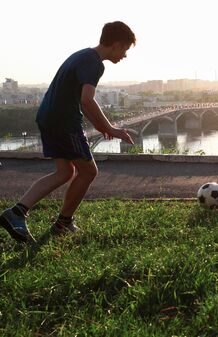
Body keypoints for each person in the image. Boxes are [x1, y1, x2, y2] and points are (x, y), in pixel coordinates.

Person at [0, 21, 136, 242]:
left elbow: (84, 102)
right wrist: (108, 127)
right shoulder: (94, 64)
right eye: (125, 50)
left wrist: (103, 127)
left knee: (65, 172)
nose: (125, 55)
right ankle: (60, 222)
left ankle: (18, 213)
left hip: (48, 117)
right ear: (117, 44)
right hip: (64, 122)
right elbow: (87, 100)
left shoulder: (83, 55)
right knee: (89, 172)